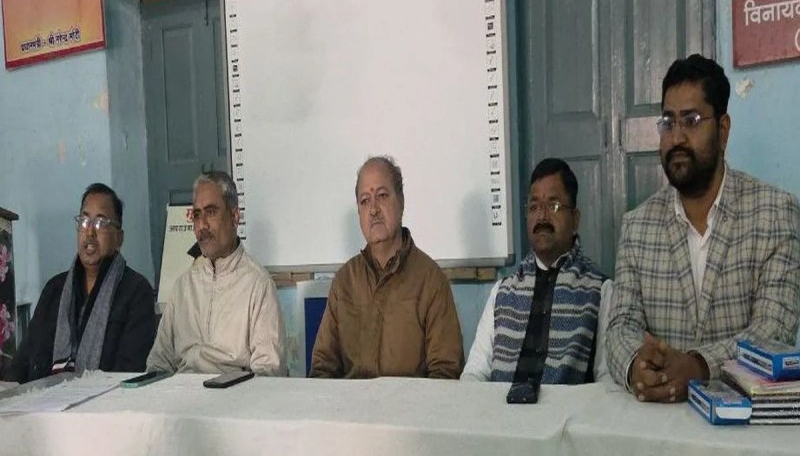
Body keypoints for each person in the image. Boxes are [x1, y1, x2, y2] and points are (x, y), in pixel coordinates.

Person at [606, 54, 800, 402]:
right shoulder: (637, 227)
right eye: (668, 122)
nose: (676, 137)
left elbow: (775, 330)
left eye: (692, 120)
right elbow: (620, 327)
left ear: (723, 130)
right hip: (659, 417)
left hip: (744, 417)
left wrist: (699, 366)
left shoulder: (774, 214)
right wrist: (637, 364)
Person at [310, 156, 464, 378]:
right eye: (365, 201)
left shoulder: (430, 280)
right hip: (350, 400)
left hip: (410, 401)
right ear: (359, 213)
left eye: (382, 196)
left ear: (401, 201)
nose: (373, 209)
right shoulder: (345, 281)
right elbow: (322, 367)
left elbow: (446, 372)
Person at [462, 158, 611, 384]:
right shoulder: (502, 292)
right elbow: (475, 371)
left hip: (568, 408)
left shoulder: (600, 291)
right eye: (534, 207)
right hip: (501, 407)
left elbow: (607, 382)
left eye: (554, 206)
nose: (542, 216)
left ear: (575, 220)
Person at [7, 184, 155, 383]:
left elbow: (130, 371)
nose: (90, 232)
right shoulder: (55, 289)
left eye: (101, 222)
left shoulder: (136, 291)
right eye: (84, 221)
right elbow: (23, 361)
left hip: (106, 400)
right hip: (44, 399)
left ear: (119, 238)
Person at [147, 171, 286, 375]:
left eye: (211, 212)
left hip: (235, 391)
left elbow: (268, 371)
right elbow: (159, 362)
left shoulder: (257, 285)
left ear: (234, 217)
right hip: (182, 391)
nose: (202, 225)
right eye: (197, 215)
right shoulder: (184, 287)